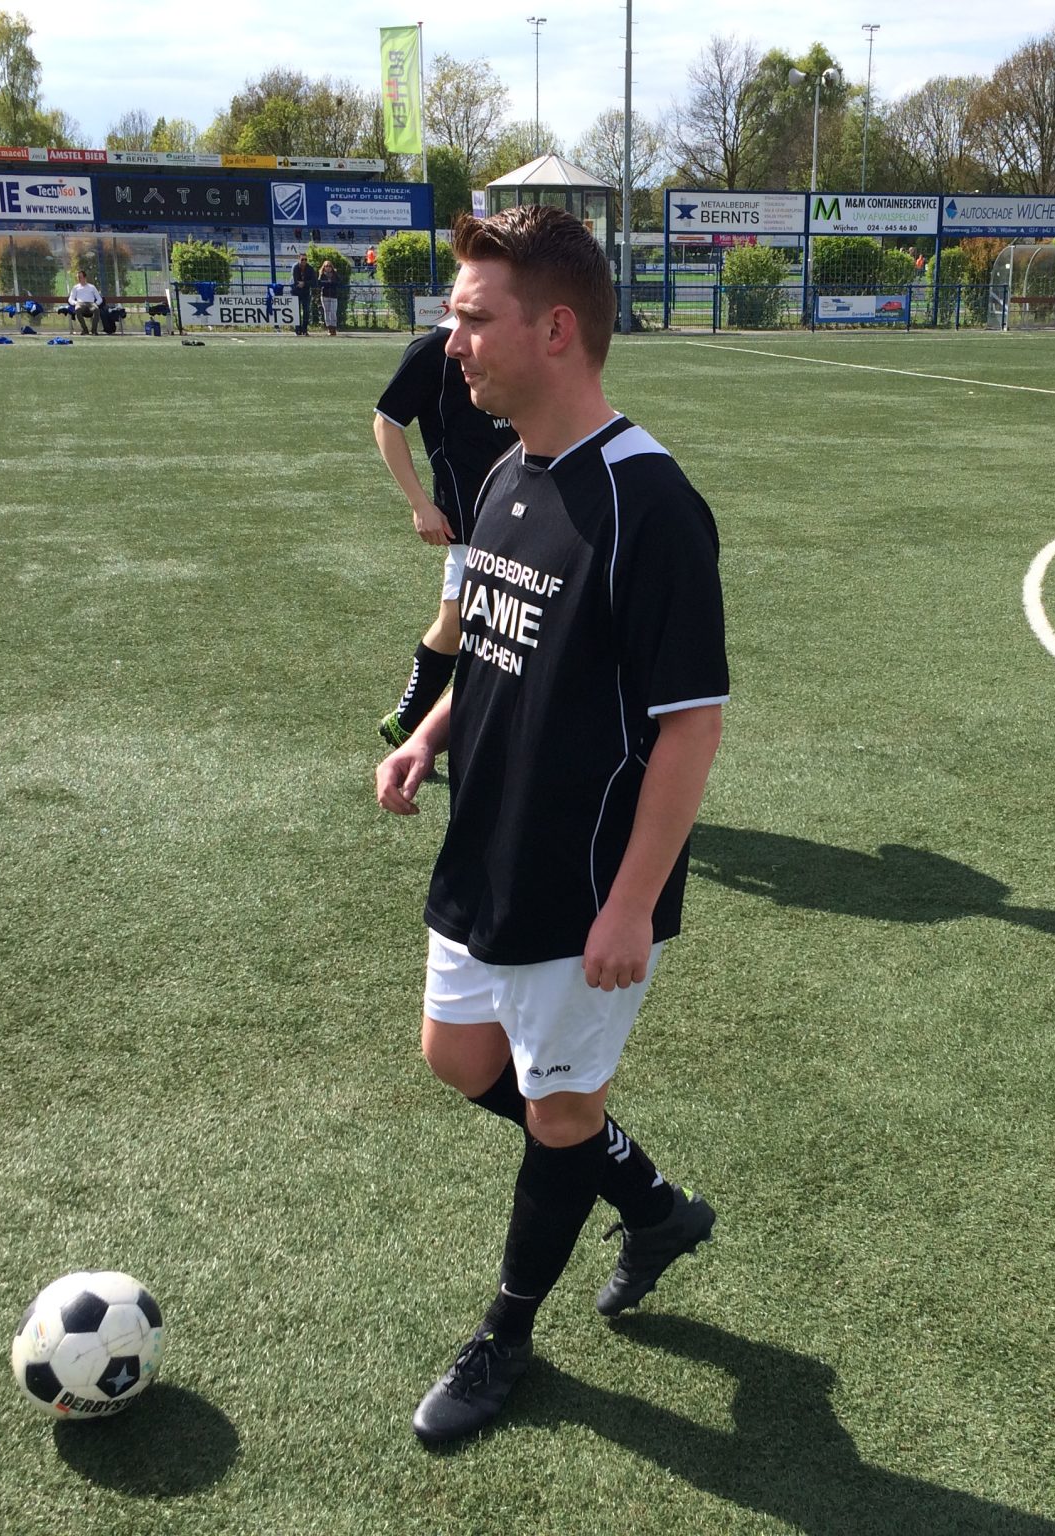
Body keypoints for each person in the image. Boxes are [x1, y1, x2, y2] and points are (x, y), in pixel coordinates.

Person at [376, 204, 729, 1446]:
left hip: (584, 884)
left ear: (557, 330)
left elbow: (689, 728)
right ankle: (657, 1207)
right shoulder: (503, 472)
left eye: (473, 319)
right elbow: (493, 645)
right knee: (458, 1060)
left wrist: (631, 904)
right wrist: (430, 733)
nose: (450, 344)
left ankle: (505, 1336)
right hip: (487, 847)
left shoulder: (651, 504)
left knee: (559, 1114)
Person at [373, 305, 518, 749]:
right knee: (465, 624)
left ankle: (413, 723)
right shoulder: (434, 350)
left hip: (523, 504)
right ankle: (413, 724)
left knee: (472, 623)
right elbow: (386, 423)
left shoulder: (510, 337)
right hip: (470, 518)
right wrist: (421, 505)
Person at [290, 253, 313, 336]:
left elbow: (313, 280)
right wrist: (299, 283)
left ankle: (305, 330)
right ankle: (297, 330)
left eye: (305, 259)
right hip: (295, 291)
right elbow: (295, 279)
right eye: (302, 259)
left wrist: (304, 283)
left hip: (306, 292)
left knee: (306, 311)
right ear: (299, 259)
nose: (304, 261)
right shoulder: (295, 267)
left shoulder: (310, 268)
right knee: (297, 311)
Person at [318, 258, 342, 337]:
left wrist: (331, 283)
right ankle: (329, 328)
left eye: (329, 266)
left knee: (333, 312)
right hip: (325, 295)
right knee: (327, 312)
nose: (328, 267)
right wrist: (328, 283)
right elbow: (320, 283)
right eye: (326, 266)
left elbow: (338, 283)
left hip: (333, 295)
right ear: (324, 267)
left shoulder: (335, 274)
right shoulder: (322, 275)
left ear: (332, 267)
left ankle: (334, 328)